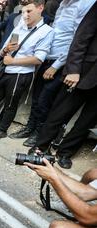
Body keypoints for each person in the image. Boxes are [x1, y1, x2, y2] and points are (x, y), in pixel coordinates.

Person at [10, 0, 96, 148]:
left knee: (45, 101)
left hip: (61, 63)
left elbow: (76, 39)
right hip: (46, 58)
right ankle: (30, 128)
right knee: (36, 99)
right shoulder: (63, 4)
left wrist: (56, 66)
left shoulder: (85, 4)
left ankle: (38, 133)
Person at [29, 2, 97, 169]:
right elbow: (82, 36)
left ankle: (65, 152)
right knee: (60, 112)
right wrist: (73, 69)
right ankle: (41, 146)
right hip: (84, 71)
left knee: (87, 121)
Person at [0, 0, 54, 143]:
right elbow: (5, 48)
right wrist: (5, 50)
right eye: (24, 11)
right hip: (6, 69)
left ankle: (2, 130)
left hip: (22, 73)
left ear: (40, 8)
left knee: (10, 104)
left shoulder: (46, 31)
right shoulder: (20, 25)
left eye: (29, 11)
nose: (26, 15)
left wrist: (13, 61)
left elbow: (39, 59)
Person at [25, 161, 97, 228]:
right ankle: (72, 208)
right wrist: (51, 167)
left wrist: (53, 179)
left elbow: (87, 216)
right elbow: (84, 192)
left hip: (89, 216)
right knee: (93, 173)